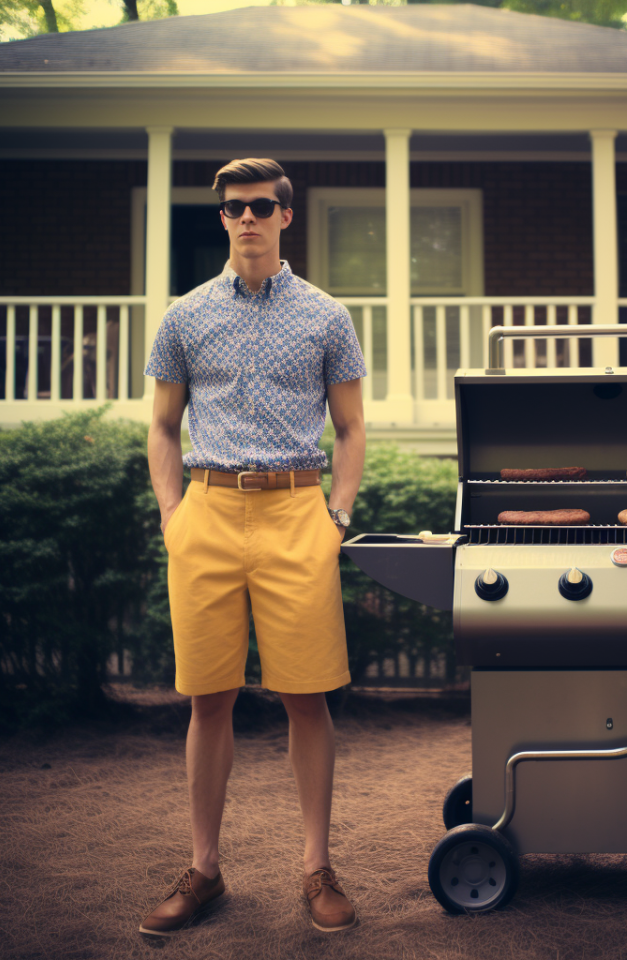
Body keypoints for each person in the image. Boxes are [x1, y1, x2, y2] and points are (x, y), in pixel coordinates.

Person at [139, 158, 366, 937]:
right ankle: (204, 871)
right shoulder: (184, 316)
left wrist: (335, 512)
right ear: (223, 217)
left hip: (297, 511)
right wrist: (174, 513)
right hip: (206, 511)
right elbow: (164, 427)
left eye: (262, 206)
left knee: (307, 695)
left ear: (286, 217)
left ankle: (317, 870)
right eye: (235, 207)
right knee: (209, 698)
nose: (248, 218)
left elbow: (352, 427)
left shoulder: (328, 317)